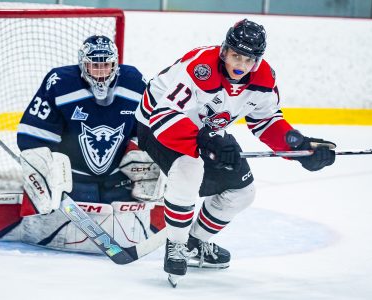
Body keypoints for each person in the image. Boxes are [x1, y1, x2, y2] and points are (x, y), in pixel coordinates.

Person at [135, 19, 336, 284]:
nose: (241, 66)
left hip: (206, 130)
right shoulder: (200, 68)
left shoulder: (264, 79)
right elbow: (163, 117)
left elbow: (266, 120)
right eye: (236, 56)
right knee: (189, 169)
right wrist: (206, 142)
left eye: (249, 60)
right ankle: (177, 245)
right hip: (156, 126)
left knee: (242, 191)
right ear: (224, 51)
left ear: (258, 60)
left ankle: (195, 243)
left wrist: (299, 147)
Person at [0, 35, 164, 253]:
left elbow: (154, 130)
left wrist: (141, 152)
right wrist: (46, 171)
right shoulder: (60, 83)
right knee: (42, 166)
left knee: (155, 157)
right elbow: (31, 134)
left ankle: (153, 216)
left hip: (118, 181)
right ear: (83, 64)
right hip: (73, 182)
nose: (101, 73)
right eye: (94, 66)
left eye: (106, 65)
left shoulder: (135, 83)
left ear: (115, 64)